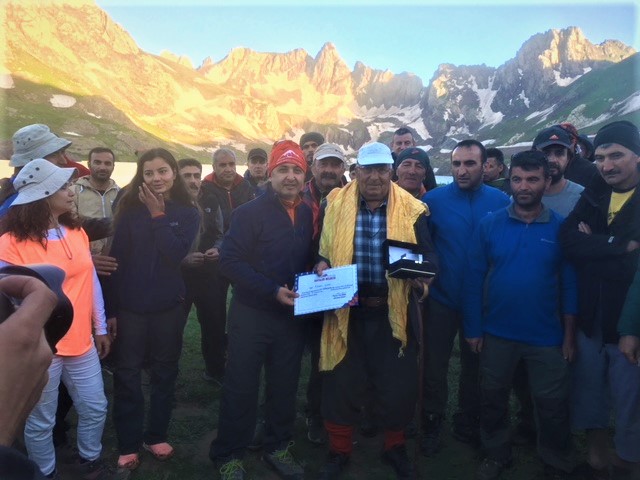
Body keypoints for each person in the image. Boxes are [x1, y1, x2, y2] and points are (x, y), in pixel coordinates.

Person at [315, 142, 438, 480]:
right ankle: (339, 451)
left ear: (391, 172)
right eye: (367, 169)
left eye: (381, 169)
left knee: (396, 383)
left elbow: (429, 259)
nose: (374, 176)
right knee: (341, 379)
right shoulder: (334, 203)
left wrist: (419, 278)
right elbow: (321, 251)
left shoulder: (412, 209)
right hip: (347, 308)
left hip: (390, 308)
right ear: (355, 172)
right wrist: (322, 263)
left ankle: (394, 447)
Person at [463, 150, 577, 480]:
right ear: (509, 180)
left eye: (532, 179)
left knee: (552, 403)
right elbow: (472, 278)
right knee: (493, 397)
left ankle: (556, 460)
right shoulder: (490, 224)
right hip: (497, 331)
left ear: (547, 180)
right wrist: (473, 328)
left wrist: (569, 335)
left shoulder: (560, 229)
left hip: (546, 335)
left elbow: (570, 284)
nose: (523, 186)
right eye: (517, 179)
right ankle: (496, 453)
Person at [0, 159, 113, 480]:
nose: (72, 191)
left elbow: (90, 281)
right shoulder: (8, 244)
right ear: (44, 194)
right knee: (41, 420)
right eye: (64, 186)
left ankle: (90, 461)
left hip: (81, 342)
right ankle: (46, 473)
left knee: (95, 407)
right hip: (40, 348)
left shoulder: (75, 232)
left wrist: (100, 327)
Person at [210, 140, 313, 480]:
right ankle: (228, 454)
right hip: (252, 313)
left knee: (285, 385)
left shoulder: (309, 212)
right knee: (241, 385)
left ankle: (277, 446)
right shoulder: (248, 213)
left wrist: (321, 263)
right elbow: (229, 262)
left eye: (296, 170)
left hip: (289, 315)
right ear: (270, 175)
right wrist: (272, 290)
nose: (290, 177)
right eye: (282, 170)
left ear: (304, 174)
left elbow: (306, 255)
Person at [107, 148, 200, 471]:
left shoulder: (188, 212)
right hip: (131, 306)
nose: (156, 178)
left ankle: (155, 434)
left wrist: (158, 215)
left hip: (167, 307)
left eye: (162, 171)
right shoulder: (130, 209)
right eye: (149, 173)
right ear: (140, 176)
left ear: (174, 173)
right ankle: (129, 442)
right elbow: (115, 261)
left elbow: (175, 254)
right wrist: (110, 310)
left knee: (164, 371)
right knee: (128, 374)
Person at [559, 120, 640, 479]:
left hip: (629, 319)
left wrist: (592, 246)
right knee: (590, 387)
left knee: (629, 396)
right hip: (593, 314)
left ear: (637, 157)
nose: (607, 165)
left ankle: (627, 462)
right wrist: (616, 246)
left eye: (617, 156)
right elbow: (567, 239)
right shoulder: (595, 192)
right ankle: (597, 458)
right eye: (602, 157)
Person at [420, 139, 510, 456]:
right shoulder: (433, 200)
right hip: (442, 299)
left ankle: (467, 419)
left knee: (475, 366)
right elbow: (421, 244)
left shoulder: (501, 200)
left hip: (484, 303)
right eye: (456, 164)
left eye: (470, 163)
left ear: (484, 166)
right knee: (434, 364)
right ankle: (431, 419)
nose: (461, 170)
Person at [299, 142, 347, 445]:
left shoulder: (351, 197)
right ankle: (271, 414)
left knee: (325, 356)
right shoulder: (293, 193)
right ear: (312, 165)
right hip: (293, 284)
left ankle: (317, 414)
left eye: (335, 164)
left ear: (343, 168)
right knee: (285, 354)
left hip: (330, 287)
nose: (328, 170)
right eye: (323, 164)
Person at [0, 274, 57, 480]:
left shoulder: (76, 240)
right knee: (42, 421)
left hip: (49, 344)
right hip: (33, 344)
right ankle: (47, 470)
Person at [178, 158, 225, 384]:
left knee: (214, 324)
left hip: (208, 274)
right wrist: (183, 259)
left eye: (196, 175)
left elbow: (220, 232)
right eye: (187, 176)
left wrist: (217, 249)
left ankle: (215, 371)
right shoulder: (168, 202)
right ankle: (166, 374)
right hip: (178, 277)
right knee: (173, 327)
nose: (193, 181)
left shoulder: (211, 199)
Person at [74, 147, 120, 255]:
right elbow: (69, 229)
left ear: (113, 166)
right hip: (84, 258)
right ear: (89, 164)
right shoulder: (73, 193)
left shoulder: (121, 194)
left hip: (114, 259)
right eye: (97, 162)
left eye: (107, 163)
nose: (102, 167)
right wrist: (88, 257)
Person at [532, 124, 600, 188]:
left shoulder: (592, 175)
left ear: (568, 156)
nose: (552, 160)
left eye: (559, 153)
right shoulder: (525, 184)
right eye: (546, 153)